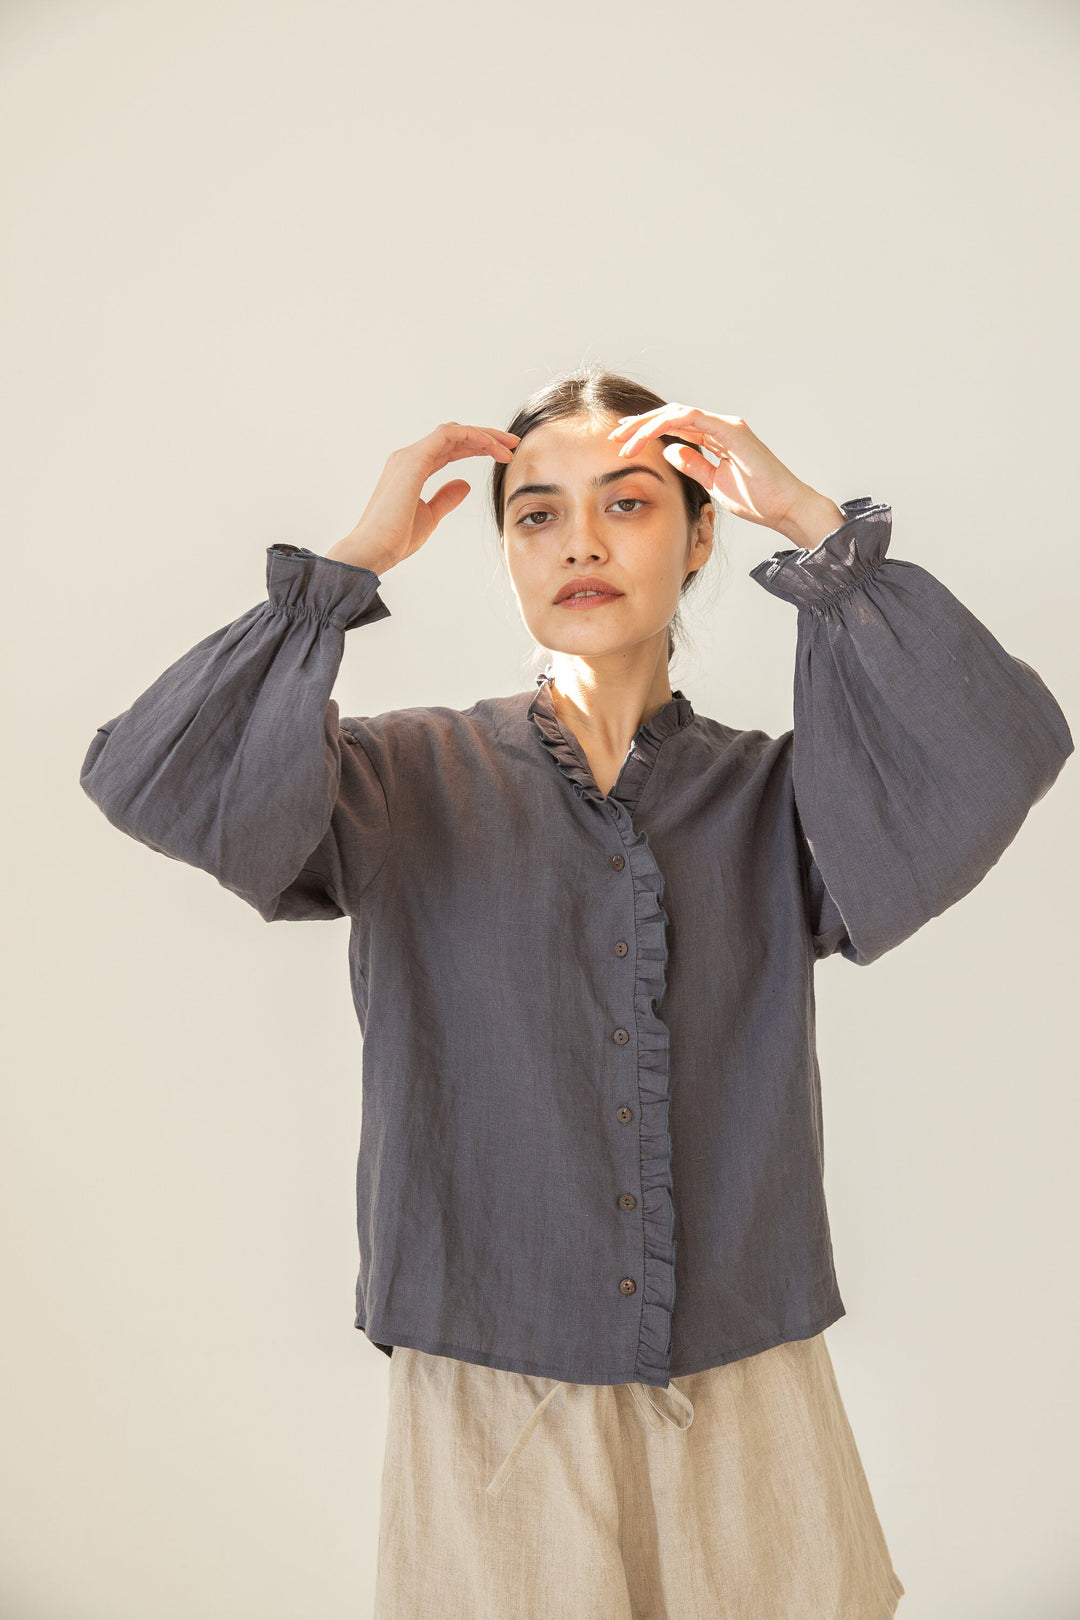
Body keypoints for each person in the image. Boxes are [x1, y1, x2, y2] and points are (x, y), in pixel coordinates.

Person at [80, 366, 1074, 1619]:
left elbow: (998, 758)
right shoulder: (400, 778)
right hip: (492, 1394)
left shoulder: (778, 800)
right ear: (500, 550)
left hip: (745, 1382)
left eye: (630, 502)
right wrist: (343, 571)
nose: (581, 542)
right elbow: (152, 782)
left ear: (703, 530)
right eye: (536, 513)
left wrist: (821, 530)